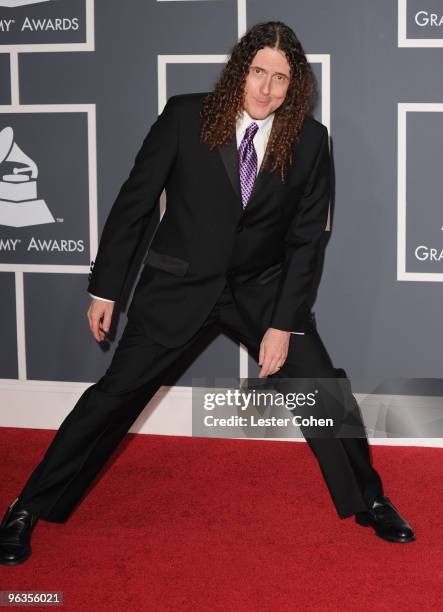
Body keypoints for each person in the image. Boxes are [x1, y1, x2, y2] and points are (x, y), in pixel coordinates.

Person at [0, 21, 415, 566]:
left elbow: (306, 240)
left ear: (296, 88)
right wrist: (106, 288)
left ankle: (371, 498)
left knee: (322, 393)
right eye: (257, 73)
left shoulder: (310, 142)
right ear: (239, 70)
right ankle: (26, 508)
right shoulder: (185, 116)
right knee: (112, 396)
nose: (265, 89)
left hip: (263, 291)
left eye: (281, 80)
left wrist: (282, 324)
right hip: (179, 284)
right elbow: (135, 204)